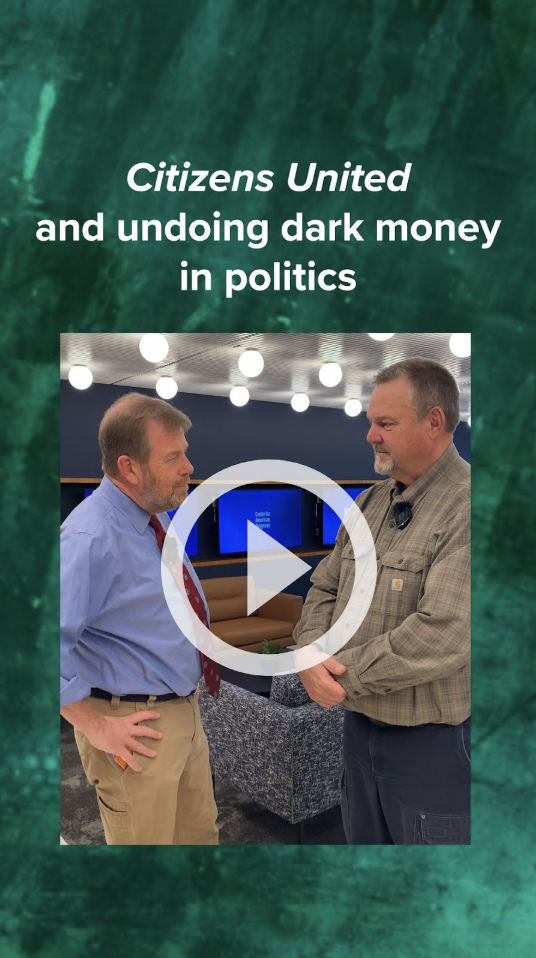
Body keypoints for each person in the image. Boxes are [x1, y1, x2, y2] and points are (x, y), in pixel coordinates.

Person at [295, 357, 470, 844]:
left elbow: (447, 631)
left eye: (384, 423)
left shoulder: (472, 506)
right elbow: (324, 587)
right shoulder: (369, 503)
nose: (370, 435)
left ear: (434, 422)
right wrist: (310, 653)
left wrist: (337, 676)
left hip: (432, 746)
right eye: (371, 423)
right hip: (358, 733)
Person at [60, 392, 219, 845]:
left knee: (199, 840)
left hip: (183, 712)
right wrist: (96, 727)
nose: (189, 466)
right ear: (129, 467)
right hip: (135, 728)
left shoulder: (155, 516)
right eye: (174, 457)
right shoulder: (88, 537)